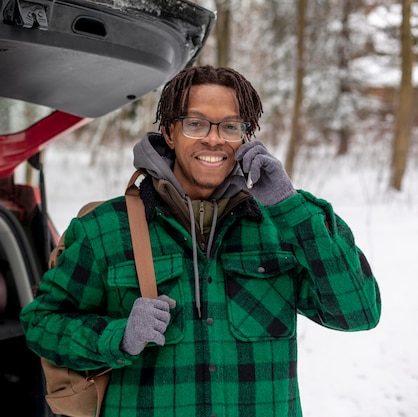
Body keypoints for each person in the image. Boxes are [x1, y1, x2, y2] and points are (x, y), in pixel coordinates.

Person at [20, 65, 381, 417]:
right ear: (170, 133)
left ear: (244, 137)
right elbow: (42, 324)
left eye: (230, 126)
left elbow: (358, 313)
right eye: (196, 124)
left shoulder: (287, 225)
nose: (213, 138)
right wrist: (118, 335)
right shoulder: (105, 230)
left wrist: (290, 208)